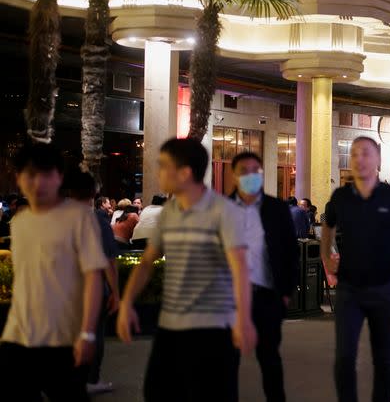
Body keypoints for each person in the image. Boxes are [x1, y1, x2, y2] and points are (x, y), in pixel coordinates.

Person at [116, 138, 255, 402]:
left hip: (214, 328)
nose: (159, 172)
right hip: (171, 326)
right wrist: (126, 304)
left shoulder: (224, 211)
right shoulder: (169, 212)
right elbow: (146, 262)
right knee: (157, 393)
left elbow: (241, 269)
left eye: (164, 166)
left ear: (185, 172)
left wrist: (244, 320)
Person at [322, 136, 390, 402]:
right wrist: (327, 257)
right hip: (349, 290)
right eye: (355, 154)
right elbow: (328, 226)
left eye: (366, 154)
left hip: (385, 289)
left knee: (383, 357)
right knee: (344, 357)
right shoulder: (340, 196)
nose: (360, 159)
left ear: (378, 160)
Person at [0, 143, 106, 401]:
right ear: (18, 178)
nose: (37, 183)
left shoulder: (79, 218)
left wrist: (88, 333)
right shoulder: (19, 222)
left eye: (46, 174)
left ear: (59, 177)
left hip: (64, 338)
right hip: (18, 335)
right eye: (30, 175)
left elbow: (93, 277)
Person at [230, 151, 299, 402]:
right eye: (244, 171)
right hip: (229, 301)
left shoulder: (277, 209)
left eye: (256, 171)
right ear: (234, 175)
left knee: (270, 360)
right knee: (226, 365)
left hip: (266, 297)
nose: (251, 176)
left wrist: (285, 294)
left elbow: (291, 252)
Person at [64, 171, 121, 395]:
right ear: (94, 193)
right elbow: (109, 261)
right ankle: (91, 379)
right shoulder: (98, 219)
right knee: (95, 334)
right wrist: (115, 293)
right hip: (93, 288)